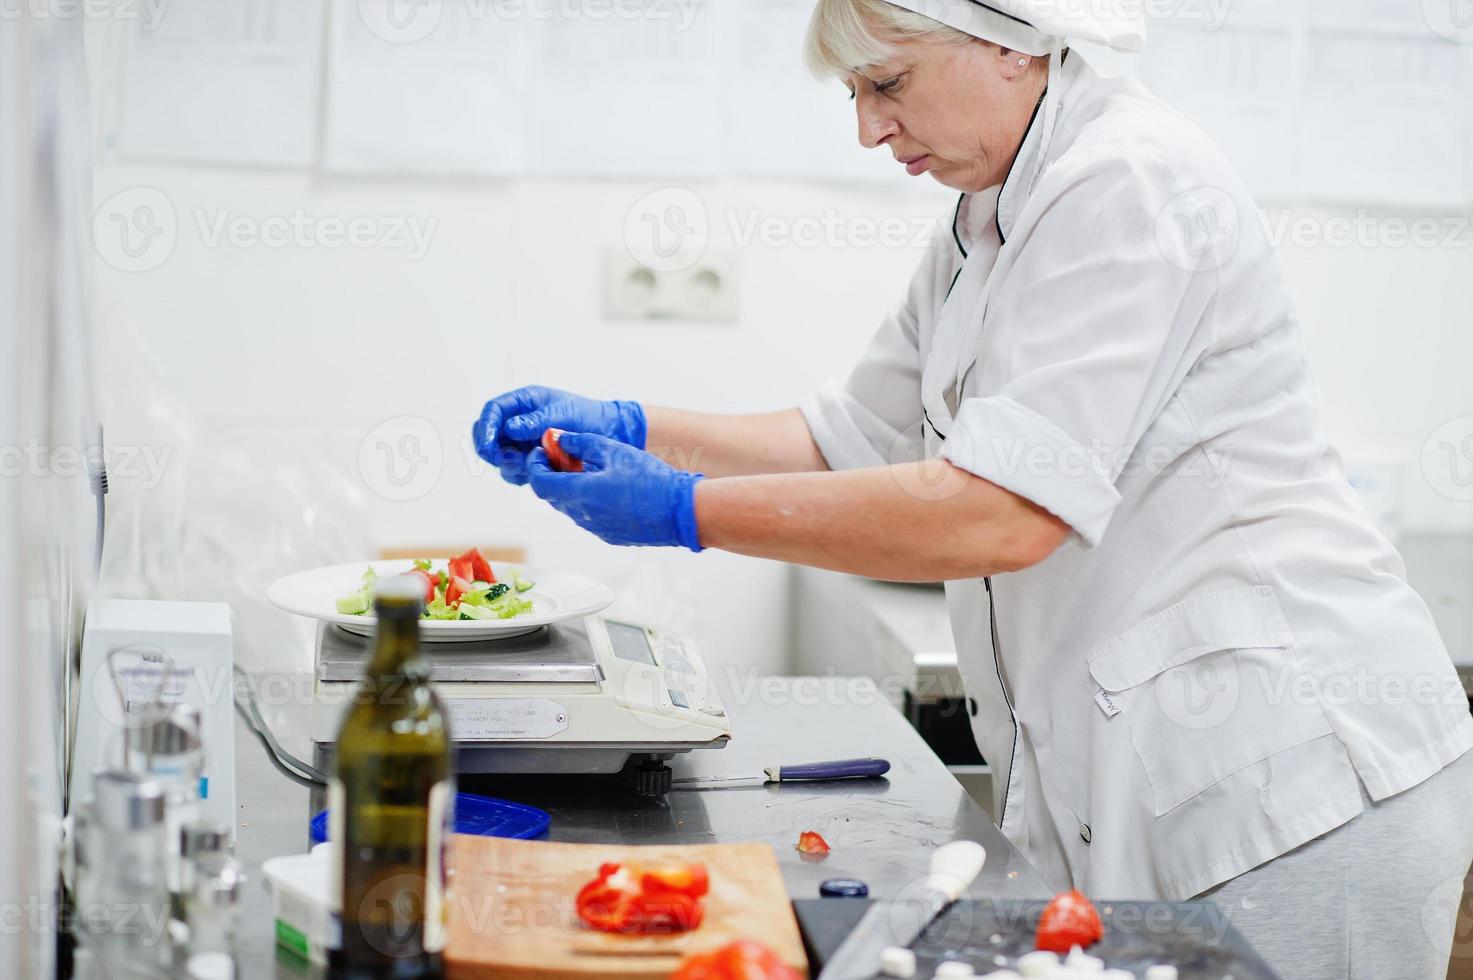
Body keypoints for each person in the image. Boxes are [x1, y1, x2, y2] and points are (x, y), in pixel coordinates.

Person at [473, 1, 1473, 975]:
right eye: (856, 92)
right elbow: (851, 437)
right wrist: (636, 425)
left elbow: (1003, 512)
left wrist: (680, 511)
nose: (868, 127)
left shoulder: (1128, 182)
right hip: (1171, 773)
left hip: (1295, 779)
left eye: (887, 82)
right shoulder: (985, 218)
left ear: (1006, 45)